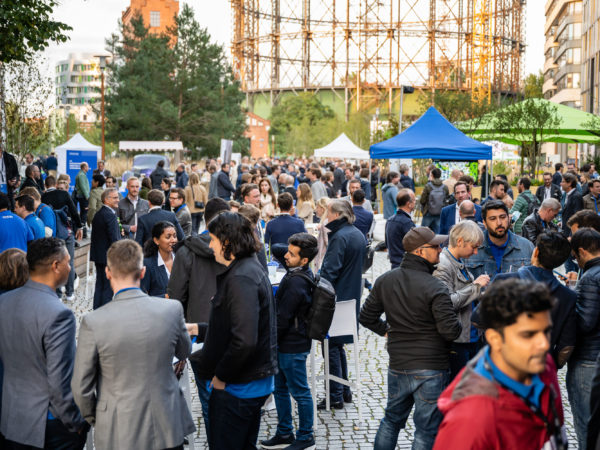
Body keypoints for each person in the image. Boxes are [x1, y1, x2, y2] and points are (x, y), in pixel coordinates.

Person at [71, 239, 194, 449]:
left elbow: (82, 387)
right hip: (166, 421)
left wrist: (97, 417)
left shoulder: (93, 322)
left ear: (108, 273)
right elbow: (184, 350)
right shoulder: (172, 309)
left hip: (118, 426)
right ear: (143, 272)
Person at [359, 227, 462, 449]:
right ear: (420, 251)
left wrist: (388, 331)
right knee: (426, 431)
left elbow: (366, 317)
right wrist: (460, 321)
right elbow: (450, 331)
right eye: (435, 246)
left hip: (399, 364)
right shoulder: (435, 287)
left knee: (391, 421)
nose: (440, 249)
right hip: (431, 367)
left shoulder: (386, 280)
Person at [433, 280, 566, 450]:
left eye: (546, 331)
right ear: (495, 339)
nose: (544, 344)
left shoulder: (543, 364)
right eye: (528, 335)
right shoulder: (470, 422)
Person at [190, 212, 277, 449]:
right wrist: (198, 329)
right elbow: (236, 325)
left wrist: (221, 377)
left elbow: (245, 340)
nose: (210, 246)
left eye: (213, 239)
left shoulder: (242, 277)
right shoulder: (247, 269)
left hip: (239, 386)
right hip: (246, 383)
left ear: (227, 241)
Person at [0, 238, 88, 449]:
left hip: (11, 416)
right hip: (46, 424)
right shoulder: (59, 314)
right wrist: (76, 422)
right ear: (55, 266)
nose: (70, 267)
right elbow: (60, 384)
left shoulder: (4, 302)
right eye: (68, 262)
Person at [167, 198, 230, 437]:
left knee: (208, 397)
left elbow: (175, 297)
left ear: (205, 218)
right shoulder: (238, 247)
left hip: (199, 333)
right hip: (233, 329)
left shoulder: (187, 251)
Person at [261, 233, 318, 450]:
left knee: (300, 392)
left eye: (292, 254)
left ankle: (305, 436)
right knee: (280, 389)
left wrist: (269, 342)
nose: (286, 256)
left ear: (304, 260)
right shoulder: (298, 272)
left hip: (292, 345)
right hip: (288, 343)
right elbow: (277, 249)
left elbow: (283, 318)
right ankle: (285, 432)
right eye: (288, 250)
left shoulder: (296, 282)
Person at [493, 231, 576, 369]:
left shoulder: (504, 280)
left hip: (503, 363)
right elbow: (566, 345)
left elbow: (478, 319)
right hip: (541, 365)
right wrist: (552, 366)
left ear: (536, 252)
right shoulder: (568, 297)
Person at [319, 200, 366, 409]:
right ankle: (343, 391)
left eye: (328, 213)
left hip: (336, 299)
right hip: (349, 297)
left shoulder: (340, 236)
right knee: (336, 346)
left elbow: (329, 272)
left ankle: (335, 395)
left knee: (330, 346)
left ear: (337, 214)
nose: (326, 217)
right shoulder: (356, 233)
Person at [433, 221, 489, 380]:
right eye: (474, 247)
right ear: (459, 241)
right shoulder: (443, 264)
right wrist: (476, 286)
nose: (476, 252)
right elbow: (447, 302)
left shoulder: (457, 261)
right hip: (458, 340)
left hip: (469, 337)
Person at [566, 227, 600, 448]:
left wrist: (569, 299)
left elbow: (584, 323)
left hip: (588, 360)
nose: (575, 262)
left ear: (582, 252)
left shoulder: (589, 278)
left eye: (574, 257)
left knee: (586, 427)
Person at [465, 200, 534, 279]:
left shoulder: (526, 247)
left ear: (508, 218)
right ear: (484, 223)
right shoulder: (471, 248)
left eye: (502, 217)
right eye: (493, 219)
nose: (499, 223)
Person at [42, 176, 83, 300]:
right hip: (67, 232)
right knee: (69, 262)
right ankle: (70, 293)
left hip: (54, 234)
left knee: (56, 263)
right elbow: (74, 211)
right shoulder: (64, 195)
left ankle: (58, 294)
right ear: (55, 184)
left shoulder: (43, 197)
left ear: (45, 185)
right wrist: (79, 226)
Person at [90, 188, 122, 309]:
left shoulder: (99, 213)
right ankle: (104, 313)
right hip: (109, 258)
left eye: (117, 197)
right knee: (107, 288)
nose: (118, 200)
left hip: (99, 256)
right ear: (106, 200)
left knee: (100, 285)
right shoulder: (109, 215)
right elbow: (115, 240)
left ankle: (97, 311)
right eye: (115, 198)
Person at [140, 221, 178, 297]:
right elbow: (142, 296)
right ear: (156, 240)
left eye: (174, 236)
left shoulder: (182, 259)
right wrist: (165, 297)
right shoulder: (148, 264)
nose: (173, 240)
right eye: (168, 237)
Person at [385, 189, 416, 269]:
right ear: (409, 204)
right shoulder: (407, 223)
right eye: (414, 200)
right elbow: (414, 246)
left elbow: (387, 243)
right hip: (405, 266)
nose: (415, 202)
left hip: (395, 265)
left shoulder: (390, 220)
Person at [420, 168, 449, 233]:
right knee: (437, 232)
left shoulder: (428, 186)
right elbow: (446, 200)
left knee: (423, 232)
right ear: (440, 175)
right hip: (440, 212)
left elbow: (422, 200)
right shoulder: (445, 187)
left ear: (432, 175)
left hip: (428, 212)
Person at [561, 172, 584, 237]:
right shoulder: (568, 195)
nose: (561, 184)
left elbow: (577, 217)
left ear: (569, 183)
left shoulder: (576, 196)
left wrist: (571, 236)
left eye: (563, 182)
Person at [0, 146, 20, 211]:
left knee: (8, 209)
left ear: (0, 150)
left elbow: (16, 174)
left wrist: (14, 181)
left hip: (7, 190)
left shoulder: (10, 158)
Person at [74, 162, 90, 236]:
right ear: (84, 167)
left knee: (83, 213)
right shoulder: (81, 175)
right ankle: (83, 232)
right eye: (87, 166)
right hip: (83, 196)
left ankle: (82, 231)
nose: (88, 168)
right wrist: (87, 196)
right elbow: (83, 186)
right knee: (84, 214)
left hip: (82, 196)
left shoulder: (81, 174)